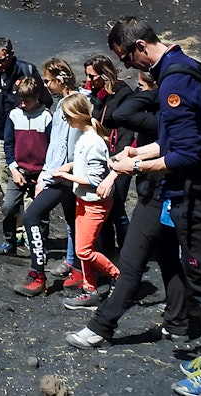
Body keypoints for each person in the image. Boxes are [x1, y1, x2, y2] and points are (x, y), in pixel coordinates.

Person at [103, 16, 201, 396]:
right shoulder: (186, 66)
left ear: (141, 46)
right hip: (199, 191)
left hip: (194, 197)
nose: (126, 66)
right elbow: (175, 141)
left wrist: (135, 165)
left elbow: (187, 156)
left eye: (126, 57)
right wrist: (140, 151)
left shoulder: (173, 80)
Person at [66, 69, 190, 349]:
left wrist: (151, 92)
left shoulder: (158, 116)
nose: (138, 90)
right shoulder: (173, 116)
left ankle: (101, 326)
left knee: (132, 261)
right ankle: (177, 323)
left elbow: (122, 114)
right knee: (170, 258)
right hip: (172, 192)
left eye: (143, 85)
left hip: (157, 193)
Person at [15, 58, 85, 296]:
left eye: (47, 81)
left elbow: (61, 149)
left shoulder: (68, 108)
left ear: (60, 79)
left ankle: (37, 274)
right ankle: (78, 269)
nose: (45, 86)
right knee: (73, 221)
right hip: (66, 175)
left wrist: (47, 176)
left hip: (63, 177)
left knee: (32, 216)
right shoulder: (70, 103)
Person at [52, 93, 121, 310]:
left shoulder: (94, 143)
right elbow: (83, 164)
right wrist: (70, 166)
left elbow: (94, 180)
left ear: (76, 115)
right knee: (85, 248)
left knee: (84, 251)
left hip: (95, 203)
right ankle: (89, 290)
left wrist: (66, 177)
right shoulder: (84, 137)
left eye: (67, 117)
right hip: (83, 200)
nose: (65, 121)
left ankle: (120, 277)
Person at [0, 37, 51, 193]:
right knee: (4, 173)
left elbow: (45, 100)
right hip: (0, 136)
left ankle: (25, 207)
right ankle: (12, 208)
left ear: (11, 54)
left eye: (2, 60)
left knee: (29, 175)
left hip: (26, 135)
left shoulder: (27, 72)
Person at [0, 77, 52, 256]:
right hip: (19, 171)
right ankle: (9, 242)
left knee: (41, 213)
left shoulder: (46, 117)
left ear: (37, 97)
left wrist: (44, 174)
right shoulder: (14, 115)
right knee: (8, 207)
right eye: (20, 100)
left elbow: (53, 148)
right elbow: (8, 144)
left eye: (27, 100)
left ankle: (40, 247)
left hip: (41, 173)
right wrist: (14, 169)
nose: (22, 104)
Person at [84, 54, 135, 254]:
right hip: (100, 153)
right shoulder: (94, 93)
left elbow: (126, 129)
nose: (89, 81)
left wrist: (120, 156)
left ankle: (126, 251)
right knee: (102, 205)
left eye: (93, 77)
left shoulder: (123, 94)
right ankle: (107, 251)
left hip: (119, 153)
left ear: (105, 76)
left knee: (117, 207)